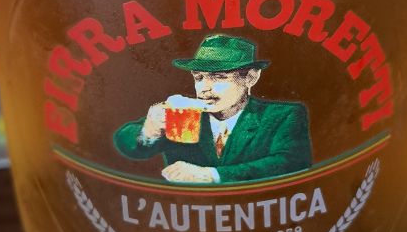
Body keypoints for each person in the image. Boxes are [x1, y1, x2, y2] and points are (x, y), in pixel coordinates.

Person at [113, 35, 312, 183]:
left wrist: (212, 175)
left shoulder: (282, 116)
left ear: (251, 77)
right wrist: (148, 131)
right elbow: (127, 141)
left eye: (219, 77)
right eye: (198, 77)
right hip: (189, 217)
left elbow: (292, 162)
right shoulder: (185, 114)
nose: (204, 88)